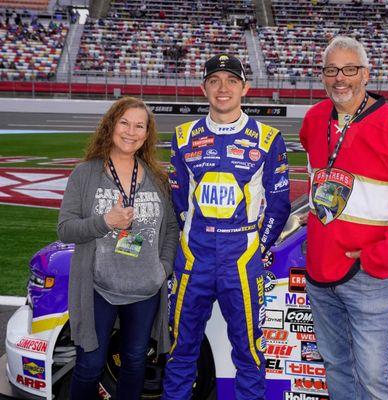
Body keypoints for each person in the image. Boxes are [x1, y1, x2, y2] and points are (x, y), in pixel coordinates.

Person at [299, 36, 388, 399]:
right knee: (336, 368)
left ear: (366, 73)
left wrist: (376, 260)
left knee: (374, 379)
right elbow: (318, 178)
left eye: (349, 70)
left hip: (368, 277)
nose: (339, 79)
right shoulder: (314, 118)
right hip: (320, 272)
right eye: (331, 70)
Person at [162, 54, 291, 399]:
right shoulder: (182, 136)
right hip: (194, 258)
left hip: (241, 257)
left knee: (248, 352)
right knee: (181, 347)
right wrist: (192, 240)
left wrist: (256, 248)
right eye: (215, 80)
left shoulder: (267, 137)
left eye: (231, 80)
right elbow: (177, 200)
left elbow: (279, 205)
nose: (223, 88)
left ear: (245, 87)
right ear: (203, 88)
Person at [57, 97, 179, 398]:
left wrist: (161, 268)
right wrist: (105, 221)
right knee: (90, 364)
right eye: (124, 122)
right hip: (99, 288)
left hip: (145, 290)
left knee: (135, 361)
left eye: (140, 125)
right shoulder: (85, 174)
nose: (131, 131)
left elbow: (172, 229)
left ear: (147, 134)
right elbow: (65, 228)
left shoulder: (156, 178)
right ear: (111, 125)